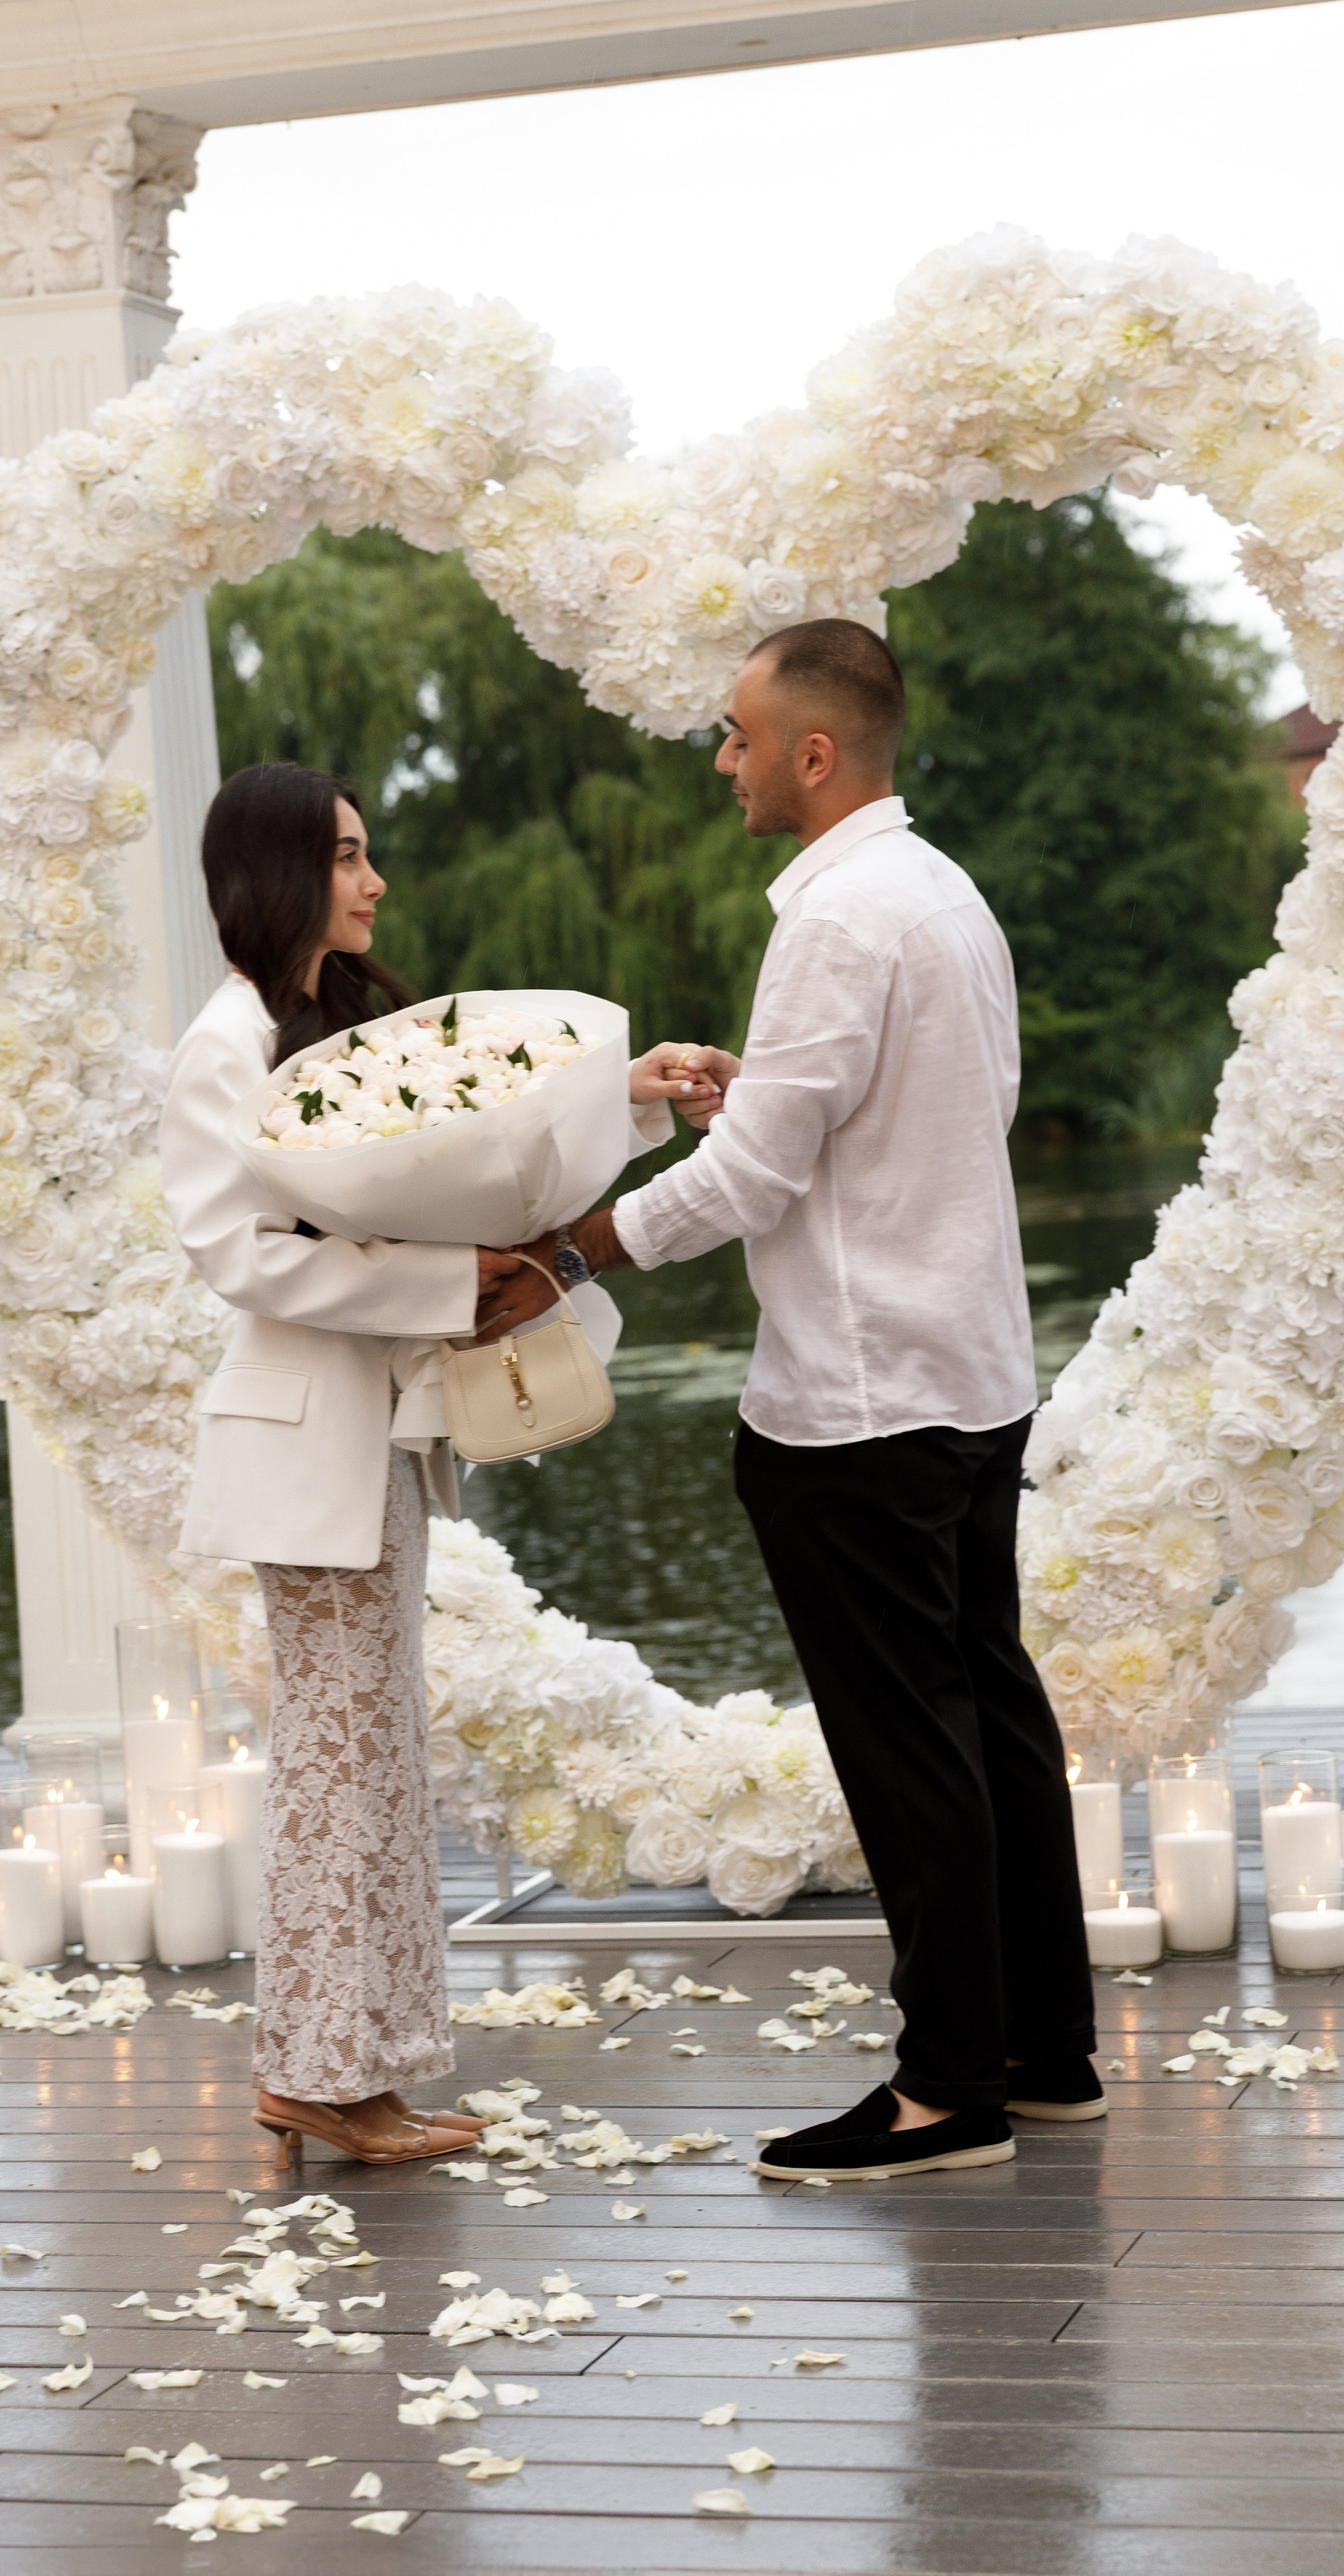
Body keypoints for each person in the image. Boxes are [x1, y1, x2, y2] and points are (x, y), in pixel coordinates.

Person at [483, 621, 1100, 2180]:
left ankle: (943, 2088)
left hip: (858, 1398)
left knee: (911, 1746)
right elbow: (950, 1107)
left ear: (813, 753)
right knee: (989, 1711)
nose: (722, 758)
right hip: (969, 1371)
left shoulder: (835, 917)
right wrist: (765, 1094)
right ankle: (1043, 2050)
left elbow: (755, 1179)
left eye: (738, 734)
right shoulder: (944, 894)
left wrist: (565, 1247)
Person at [160, 760, 706, 2167]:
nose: (373, 880)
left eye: (368, 854)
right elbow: (240, 1259)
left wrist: (629, 1101)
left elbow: (481, 1148)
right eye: (346, 857)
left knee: (375, 1763)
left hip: (377, 1446)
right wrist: (449, 1285)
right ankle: (316, 2075)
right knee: (338, 1772)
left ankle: (362, 2074)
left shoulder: (335, 1024)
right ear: (277, 870)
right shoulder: (225, 1044)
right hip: (305, 1453)